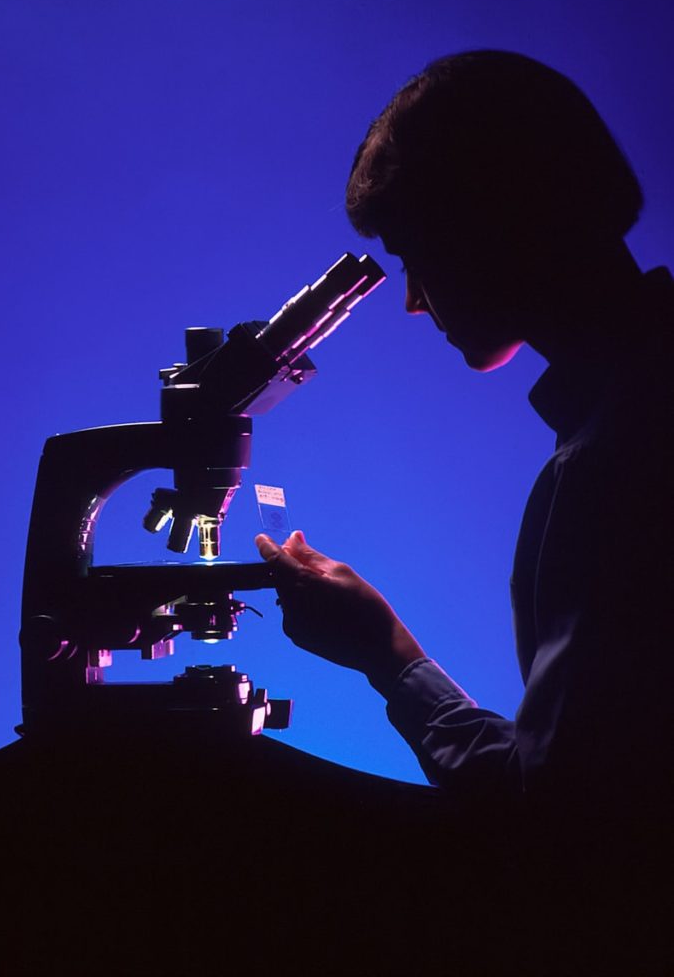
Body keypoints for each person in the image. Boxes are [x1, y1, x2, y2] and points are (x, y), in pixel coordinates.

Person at [256, 51, 673, 968]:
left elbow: (559, 829)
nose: (413, 302)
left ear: (493, 224)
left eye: (414, 256)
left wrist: (387, 658)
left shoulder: (614, 465)